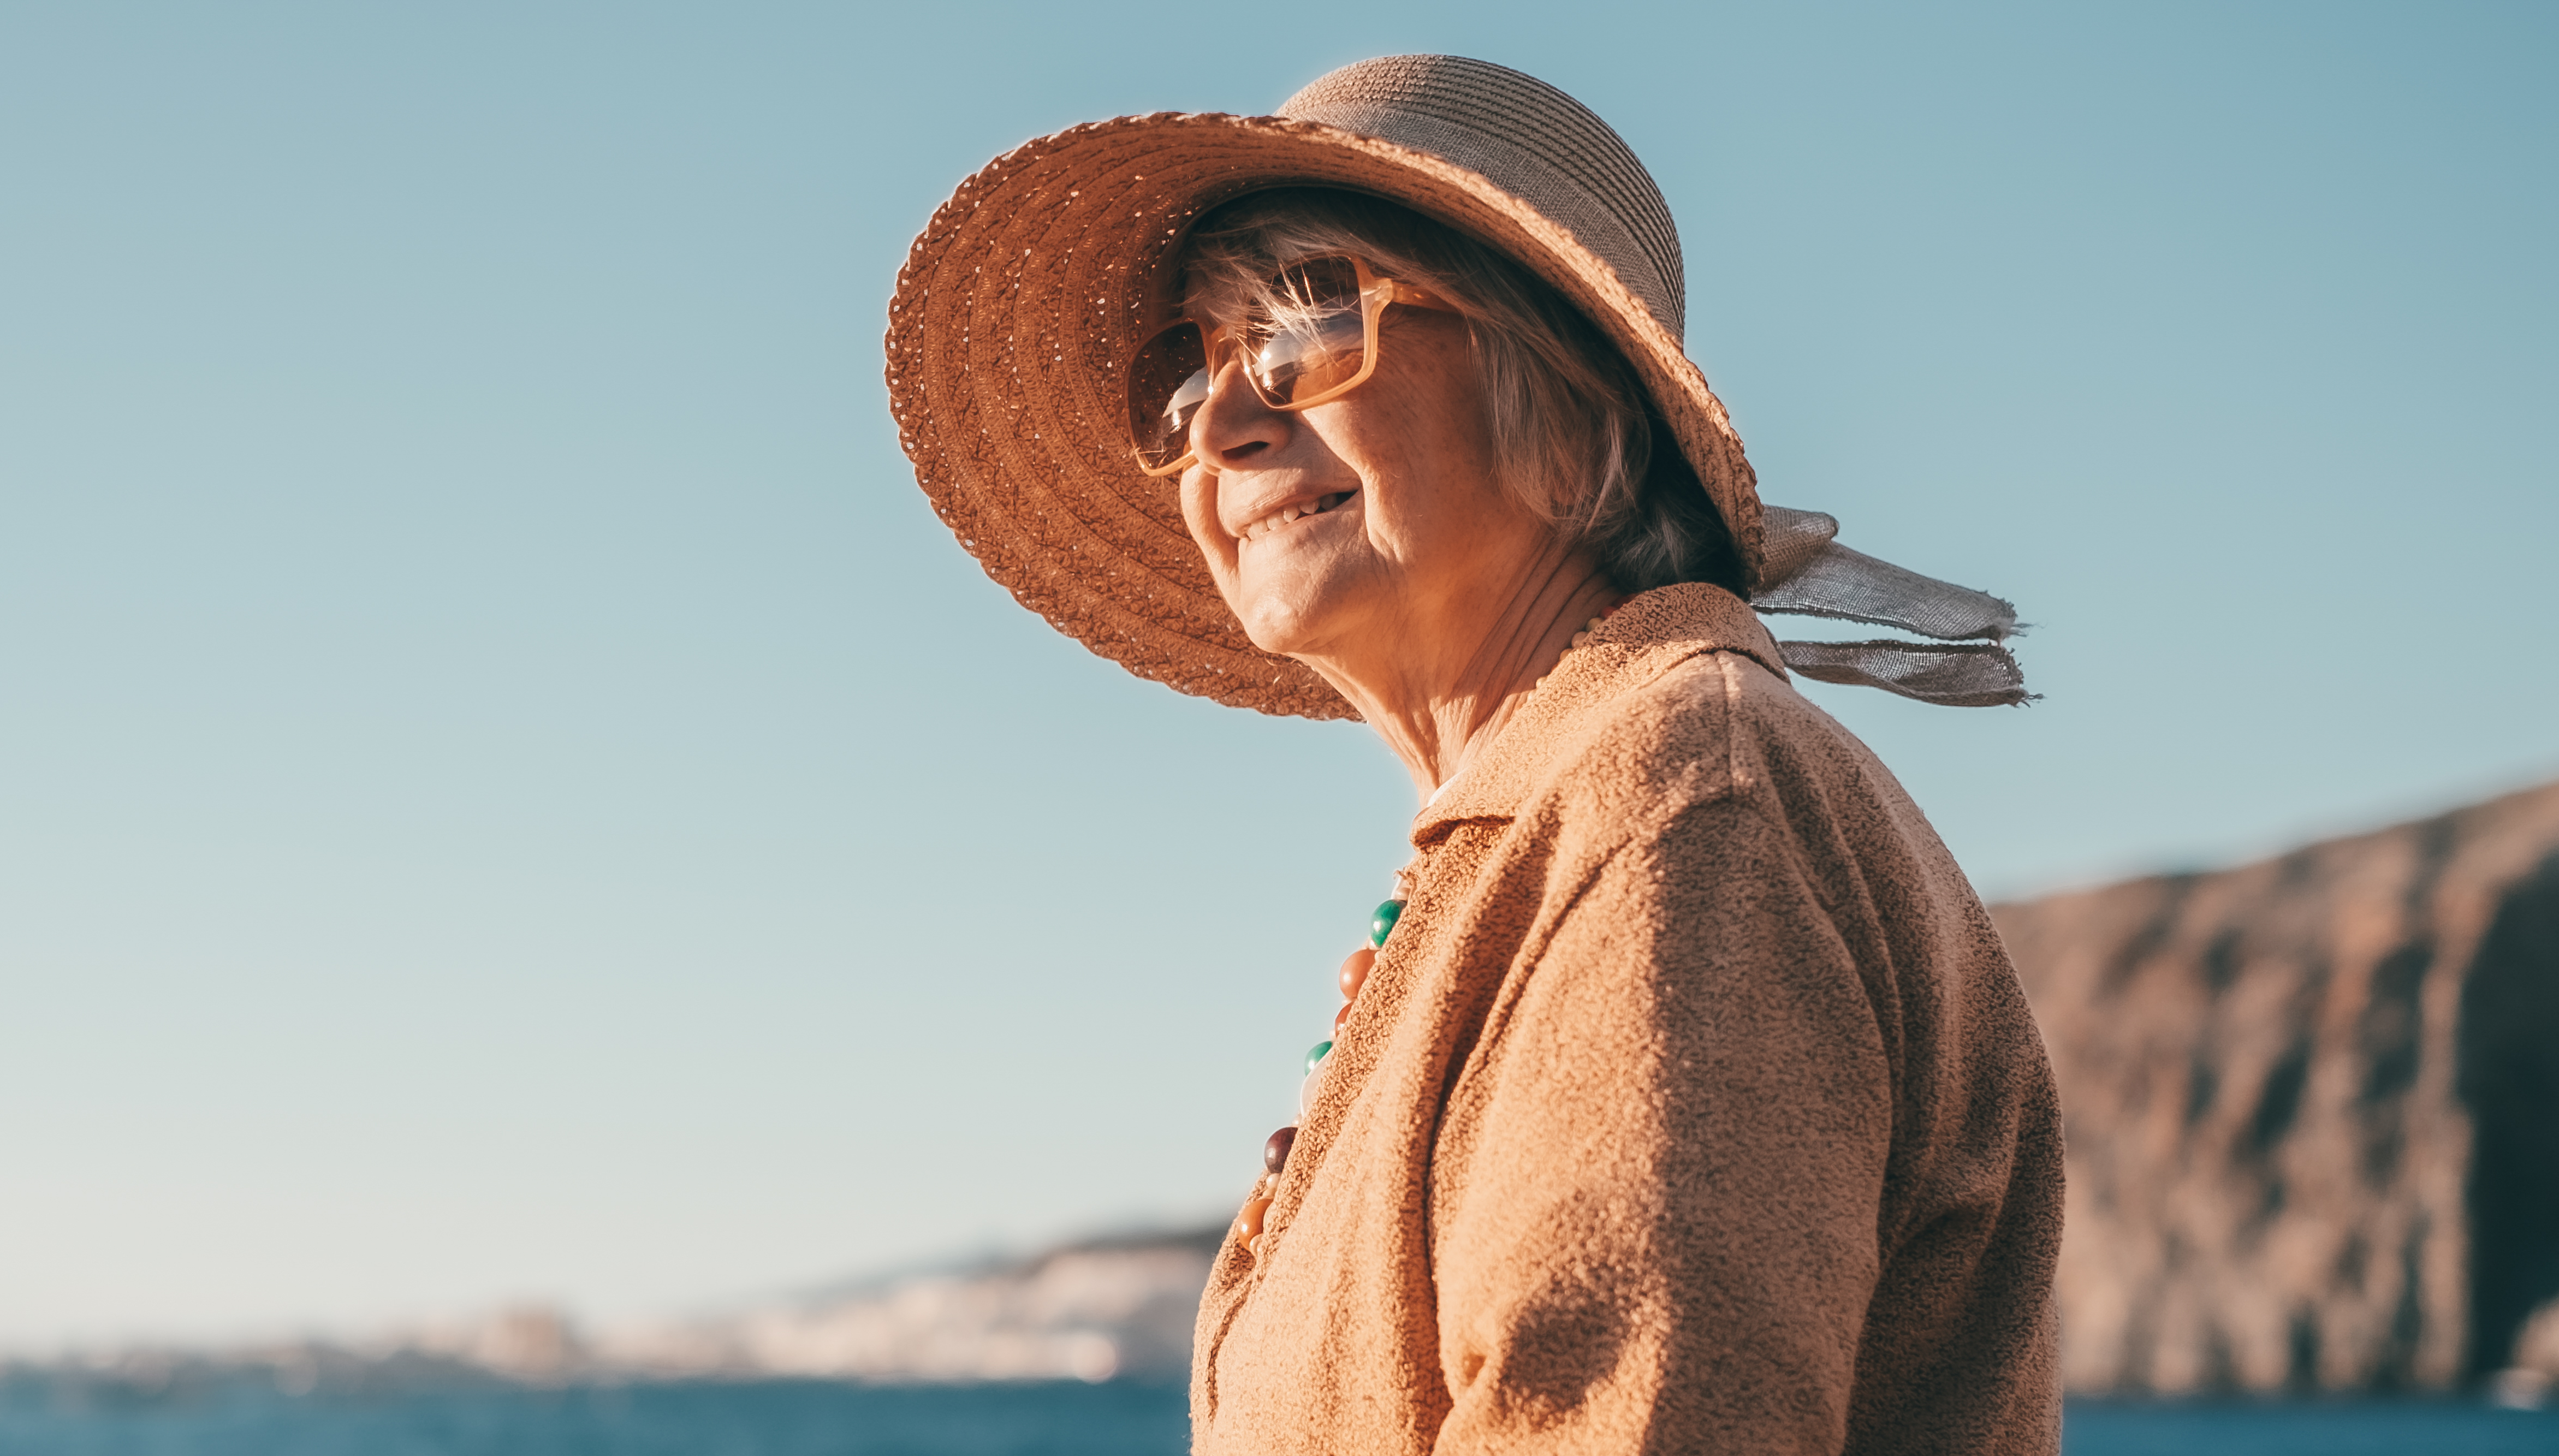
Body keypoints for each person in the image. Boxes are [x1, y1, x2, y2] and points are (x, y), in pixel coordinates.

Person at [882, 56, 2064, 1454]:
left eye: (1309, 322)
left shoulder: (1683, 800)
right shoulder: (1567, 819)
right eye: (1193, 364)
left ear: (1563, 398)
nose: (1223, 421)